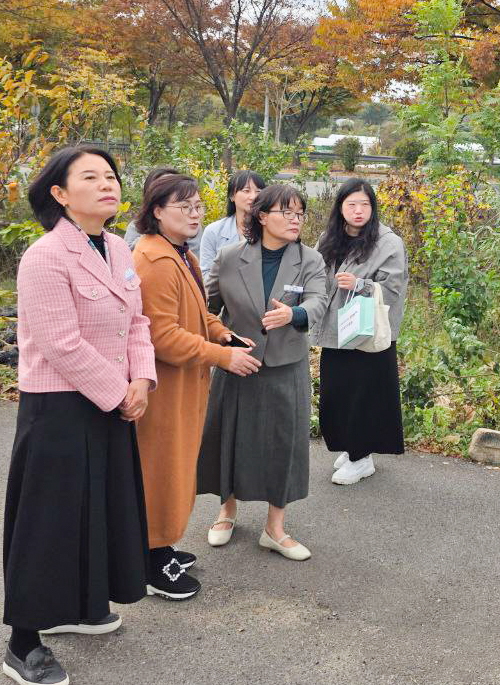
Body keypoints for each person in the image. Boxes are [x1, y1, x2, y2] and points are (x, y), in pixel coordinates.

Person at [3, 146, 156, 685]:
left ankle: (83, 607)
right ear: (61, 195)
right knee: (48, 521)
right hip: (60, 405)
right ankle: (24, 644)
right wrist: (120, 392)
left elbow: (137, 324)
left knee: (99, 509)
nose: (106, 183)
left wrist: (141, 380)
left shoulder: (118, 248)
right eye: (89, 177)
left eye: (110, 175)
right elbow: (60, 342)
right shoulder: (45, 256)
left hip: (112, 398)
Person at [132, 173, 263, 601]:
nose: (194, 213)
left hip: (185, 385)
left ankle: (162, 546)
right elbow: (162, 336)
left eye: (198, 206)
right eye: (183, 206)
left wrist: (221, 333)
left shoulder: (179, 253)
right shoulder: (153, 260)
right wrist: (222, 356)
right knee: (161, 473)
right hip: (164, 389)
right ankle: (152, 562)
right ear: (156, 211)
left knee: (177, 469)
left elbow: (197, 313)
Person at [198, 184, 328, 561]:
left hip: (285, 366)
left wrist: (295, 314)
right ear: (261, 216)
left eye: (300, 213)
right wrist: (222, 337)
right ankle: (226, 512)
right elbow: (204, 308)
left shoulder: (310, 260)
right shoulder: (228, 256)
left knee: (283, 444)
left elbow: (319, 300)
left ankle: (275, 528)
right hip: (237, 364)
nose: (295, 220)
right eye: (286, 212)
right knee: (229, 436)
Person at [314, 178, 408, 484]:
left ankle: (361, 456)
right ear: (340, 207)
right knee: (335, 393)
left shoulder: (388, 242)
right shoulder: (329, 238)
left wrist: (361, 285)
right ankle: (350, 447)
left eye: (365, 204)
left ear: (373, 207)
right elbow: (314, 274)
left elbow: (394, 287)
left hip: (368, 333)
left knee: (365, 396)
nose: (358, 211)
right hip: (336, 330)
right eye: (351, 204)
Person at [199, 169, 265, 277]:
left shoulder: (270, 229)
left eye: (258, 191)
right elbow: (206, 274)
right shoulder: (213, 231)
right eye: (246, 191)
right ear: (232, 196)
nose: (253, 197)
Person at [123, 167, 203, 255]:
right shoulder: (136, 228)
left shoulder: (190, 226)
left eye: (198, 206)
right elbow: (128, 256)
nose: (195, 214)